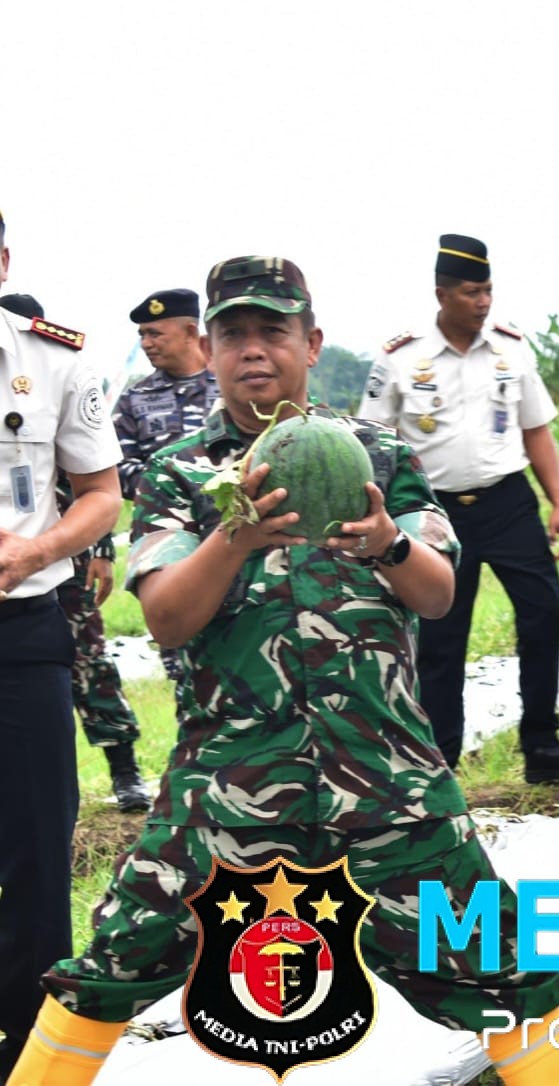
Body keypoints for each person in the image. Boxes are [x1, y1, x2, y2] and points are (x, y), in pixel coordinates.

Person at [5, 256, 559, 1086]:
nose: (255, 351)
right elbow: (168, 618)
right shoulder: (179, 472)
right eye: (234, 334)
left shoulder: (376, 458)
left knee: (499, 971)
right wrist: (234, 536)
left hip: (390, 777)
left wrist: (388, 541)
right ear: (208, 350)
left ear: (311, 344)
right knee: (112, 962)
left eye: (274, 332)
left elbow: (437, 594)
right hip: (228, 781)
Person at [361, 235, 559, 781]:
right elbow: (373, 442)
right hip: (435, 510)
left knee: (542, 611)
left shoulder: (512, 348)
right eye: (471, 292)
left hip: (509, 502)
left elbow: (536, 430)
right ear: (442, 295)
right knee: (442, 635)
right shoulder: (400, 358)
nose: (483, 302)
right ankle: (442, 757)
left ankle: (542, 744)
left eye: (488, 290)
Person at [0, 209, 124, 1080]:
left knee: (40, 854)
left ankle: (29, 1057)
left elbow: (101, 495)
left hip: (20, 637)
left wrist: (39, 548)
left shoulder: (53, 361)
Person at [0, 292, 149, 812]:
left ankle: (125, 767)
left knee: (89, 662)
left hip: (33, 593)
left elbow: (96, 488)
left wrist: (60, 552)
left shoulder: (54, 365)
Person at [114, 289, 221, 692]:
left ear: (191, 331)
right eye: (142, 335)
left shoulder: (231, 385)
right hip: (170, 546)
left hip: (241, 537)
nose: (146, 344)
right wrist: (178, 488)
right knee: (185, 669)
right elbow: (117, 469)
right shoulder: (136, 399)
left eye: (155, 333)